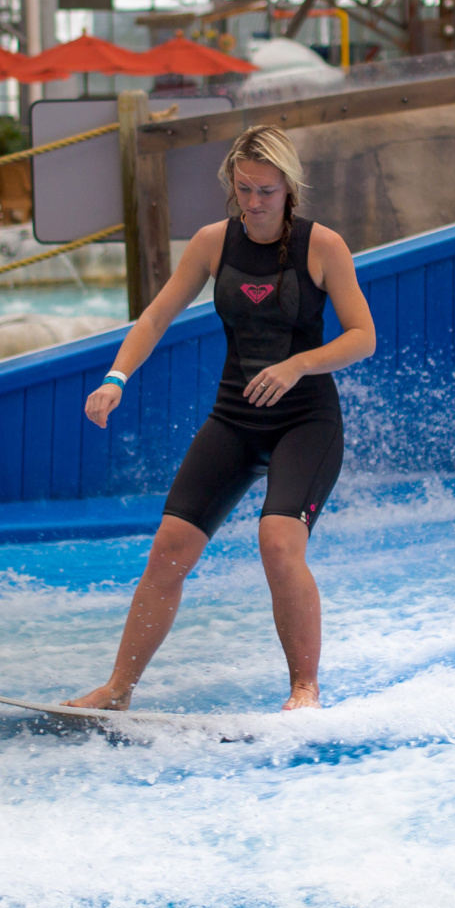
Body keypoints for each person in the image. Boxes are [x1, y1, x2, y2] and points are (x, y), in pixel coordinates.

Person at [70, 127, 376, 712]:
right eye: (244, 190)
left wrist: (297, 366)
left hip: (304, 420)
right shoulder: (214, 243)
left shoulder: (322, 246)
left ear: (289, 187)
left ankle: (304, 691)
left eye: (266, 191)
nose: (255, 203)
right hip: (235, 418)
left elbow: (363, 337)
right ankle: (117, 691)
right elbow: (157, 317)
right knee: (169, 549)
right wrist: (116, 377)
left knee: (278, 542)